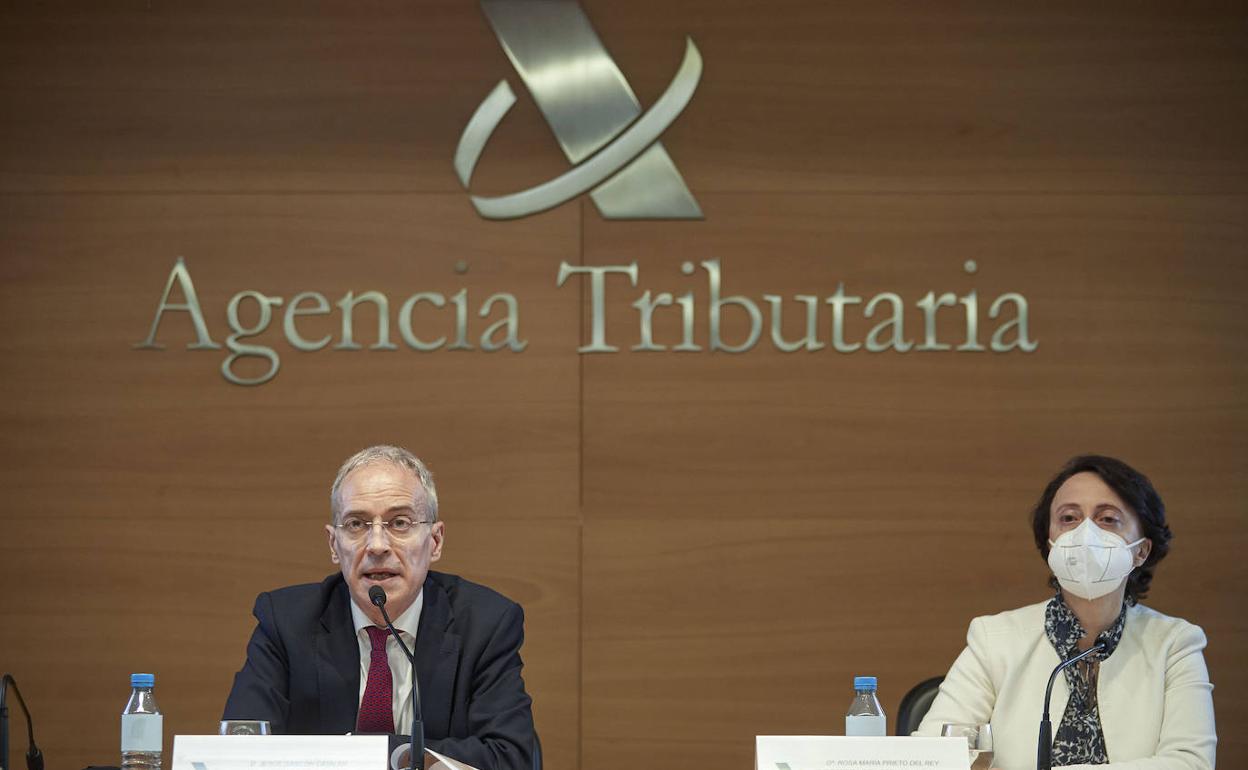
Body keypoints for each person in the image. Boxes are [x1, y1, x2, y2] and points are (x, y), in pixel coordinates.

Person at [223, 445, 540, 770]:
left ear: (435, 542)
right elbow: (239, 749)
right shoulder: (286, 622)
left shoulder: (486, 624)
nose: (377, 545)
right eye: (357, 524)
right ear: (334, 545)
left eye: (400, 523)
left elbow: (510, 757)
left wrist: (372, 753)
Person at [915, 455, 1215, 770]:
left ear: (1141, 550)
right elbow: (934, 754)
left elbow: (1190, 763)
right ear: (1050, 544)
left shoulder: (1175, 644)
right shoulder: (994, 640)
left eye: (1107, 519)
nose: (1085, 534)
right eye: (1069, 518)